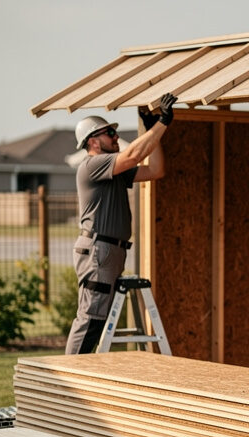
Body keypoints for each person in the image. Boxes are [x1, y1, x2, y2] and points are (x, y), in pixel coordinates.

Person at [65, 93, 178, 354]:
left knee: (98, 316)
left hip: (109, 251)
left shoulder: (114, 171)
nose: (116, 137)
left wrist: (152, 129)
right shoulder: (92, 165)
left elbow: (156, 170)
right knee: (91, 317)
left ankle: (79, 372)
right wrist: (162, 122)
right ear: (93, 141)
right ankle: (68, 376)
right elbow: (134, 154)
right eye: (109, 134)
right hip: (98, 250)